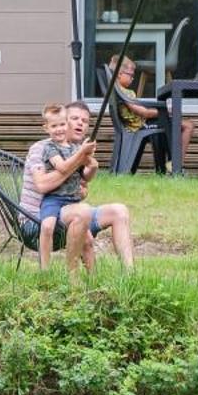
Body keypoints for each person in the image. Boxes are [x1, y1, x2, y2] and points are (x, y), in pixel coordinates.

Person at [60, 101, 136, 271]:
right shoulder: (49, 148)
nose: (80, 123)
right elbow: (46, 185)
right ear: (63, 121)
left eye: (85, 121)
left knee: (119, 210)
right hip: (53, 214)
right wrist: (80, 157)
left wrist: (89, 170)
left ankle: (130, 276)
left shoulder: (80, 149)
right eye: (74, 118)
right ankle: (77, 278)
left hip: (77, 210)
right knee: (83, 211)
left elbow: (82, 190)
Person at [20, 103, 84, 267]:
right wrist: (80, 157)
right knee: (65, 222)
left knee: (114, 213)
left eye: (62, 124)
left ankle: (92, 277)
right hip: (42, 210)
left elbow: (84, 186)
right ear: (46, 128)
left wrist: (91, 163)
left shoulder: (73, 148)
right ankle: (47, 271)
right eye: (54, 126)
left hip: (66, 203)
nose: (59, 129)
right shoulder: (45, 148)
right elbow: (61, 170)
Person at [105, 54, 195, 168]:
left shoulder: (118, 91)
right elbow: (143, 113)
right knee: (188, 126)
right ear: (119, 74)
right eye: (131, 75)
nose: (133, 78)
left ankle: (172, 164)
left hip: (138, 125)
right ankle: (177, 166)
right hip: (140, 126)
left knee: (176, 124)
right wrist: (163, 112)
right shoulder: (124, 93)